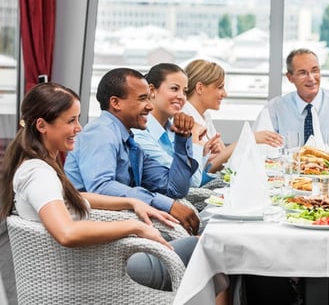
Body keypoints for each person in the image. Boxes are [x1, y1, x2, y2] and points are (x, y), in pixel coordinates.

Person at [0, 82, 198, 291]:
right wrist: (135, 226)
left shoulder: (40, 168)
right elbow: (67, 233)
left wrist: (131, 201)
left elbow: (71, 196)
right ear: (42, 126)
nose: (79, 128)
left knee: (205, 254)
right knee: (201, 249)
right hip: (95, 272)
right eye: (71, 121)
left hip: (94, 263)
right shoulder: (38, 174)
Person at [64, 68, 200, 235]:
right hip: (93, 227)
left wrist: (182, 138)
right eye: (143, 99)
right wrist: (161, 202)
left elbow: (175, 189)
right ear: (116, 103)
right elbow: (100, 187)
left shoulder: (130, 143)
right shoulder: (100, 132)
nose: (150, 106)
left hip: (119, 222)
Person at [182, 59, 283, 181]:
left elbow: (223, 159)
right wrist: (246, 140)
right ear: (199, 88)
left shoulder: (205, 117)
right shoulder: (185, 120)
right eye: (220, 87)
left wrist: (224, 152)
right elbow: (199, 174)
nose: (225, 94)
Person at [131, 63, 220, 188]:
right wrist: (193, 138)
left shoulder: (173, 130)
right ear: (151, 91)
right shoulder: (140, 135)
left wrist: (203, 153)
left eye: (184, 91)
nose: (181, 97)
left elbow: (196, 179)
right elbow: (191, 182)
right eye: (174, 89)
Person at [253, 48, 329, 147]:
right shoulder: (274, 109)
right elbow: (258, 151)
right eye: (302, 73)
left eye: (315, 71)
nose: (311, 78)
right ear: (290, 77)